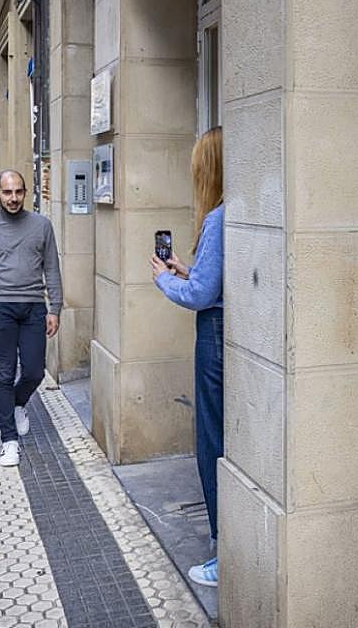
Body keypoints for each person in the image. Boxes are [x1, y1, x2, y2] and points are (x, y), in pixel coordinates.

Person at [150, 127, 224, 588]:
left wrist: (165, 279)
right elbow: (213, 279)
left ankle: (223, 552)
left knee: (211, 441)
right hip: (227, 331)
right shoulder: (238, 212)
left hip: (215, 336)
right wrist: (187, 267)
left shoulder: (217, 217)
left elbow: (203, 294)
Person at [0, 170, 63, 468]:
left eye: (18, 192)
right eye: (7, 192)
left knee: (36, 370)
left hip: (34, 306)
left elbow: (51, 268)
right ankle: (8, 441)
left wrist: (55, 307)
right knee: (2, 374)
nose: (13, 198)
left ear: (26, 192)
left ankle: (17, 403)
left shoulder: (42, 225)